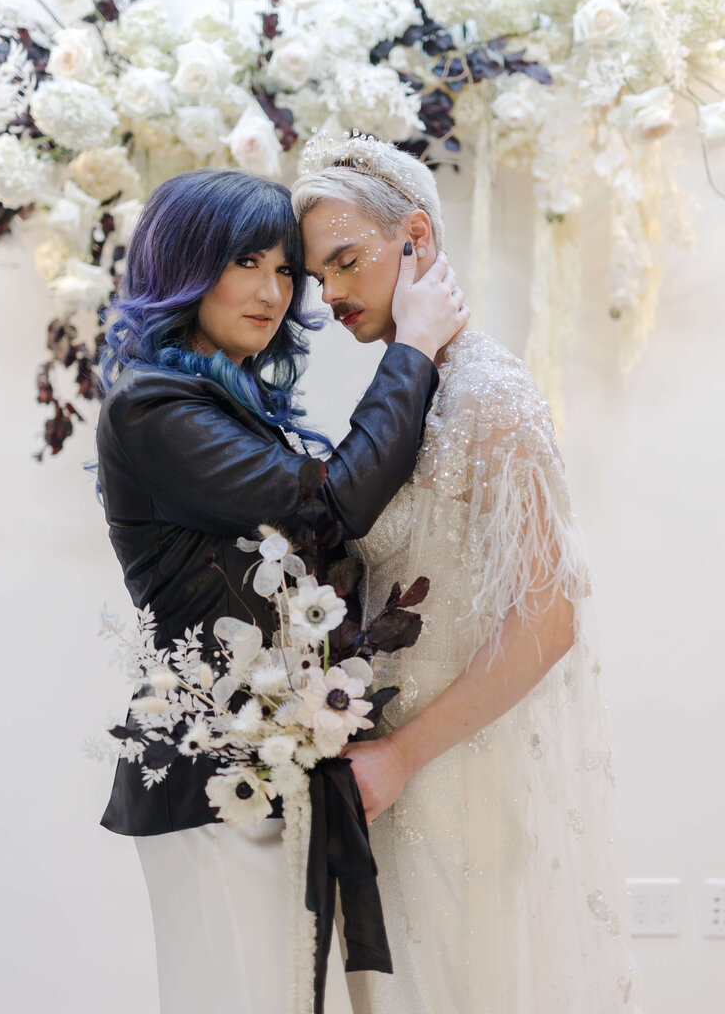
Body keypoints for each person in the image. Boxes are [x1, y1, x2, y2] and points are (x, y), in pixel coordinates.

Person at [94, 167, 468, 1014]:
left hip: (277, 769)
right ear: (187, 265)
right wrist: (411, 347)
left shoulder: (225, 404)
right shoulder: (153, 407)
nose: (274, 292)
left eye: (285, 270)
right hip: (213, 779)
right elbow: (329, 505)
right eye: (246, 263)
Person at [292, 132, 641, 1014]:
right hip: (390, 777)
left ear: (416, 238)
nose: (330, 294)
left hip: (452, 773)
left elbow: (550, 617)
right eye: (317, 277)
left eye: (347, 262)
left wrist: (404, 756)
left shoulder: (491, 394)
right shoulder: (419, 389)